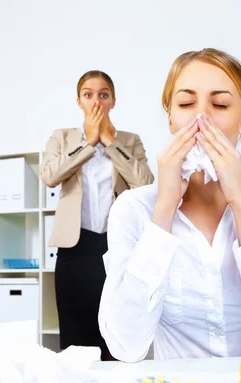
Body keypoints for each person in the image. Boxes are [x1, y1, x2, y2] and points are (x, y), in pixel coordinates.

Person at [98, 49, 241, 362]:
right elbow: (125, 346)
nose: (202, 119)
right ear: (170, 117)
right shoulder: (132, 210)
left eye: (220, 104)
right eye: (186, 104)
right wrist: (165, 208)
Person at [40, 70, 154, 360]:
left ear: (113, 101)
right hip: (74, 248)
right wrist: (89, 143)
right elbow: (50, 176)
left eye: (103, 94)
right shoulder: (62, 138)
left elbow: (145, 185)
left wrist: (111, 143)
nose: (96, 101)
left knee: (115, 334)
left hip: (115, 248)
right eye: (88, 94)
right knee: (76, 336)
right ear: (78, 101)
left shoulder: (130, 140)